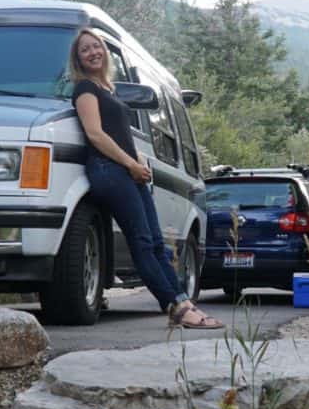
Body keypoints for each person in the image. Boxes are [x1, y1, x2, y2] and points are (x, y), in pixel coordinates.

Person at [68, 29, 224, 329]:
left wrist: (138, 159)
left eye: (96, 46)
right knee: (142, 243)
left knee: (155, 243)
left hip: (128, 170)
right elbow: (96, 135)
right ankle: (176, 306)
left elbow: (119, 133)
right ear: (78, 59)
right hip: (109, 172)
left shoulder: (108, 88)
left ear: (104, 51)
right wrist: (130, 164)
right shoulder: (85, 89)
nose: (92, 52)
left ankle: (182, 301)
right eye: (85, 49)